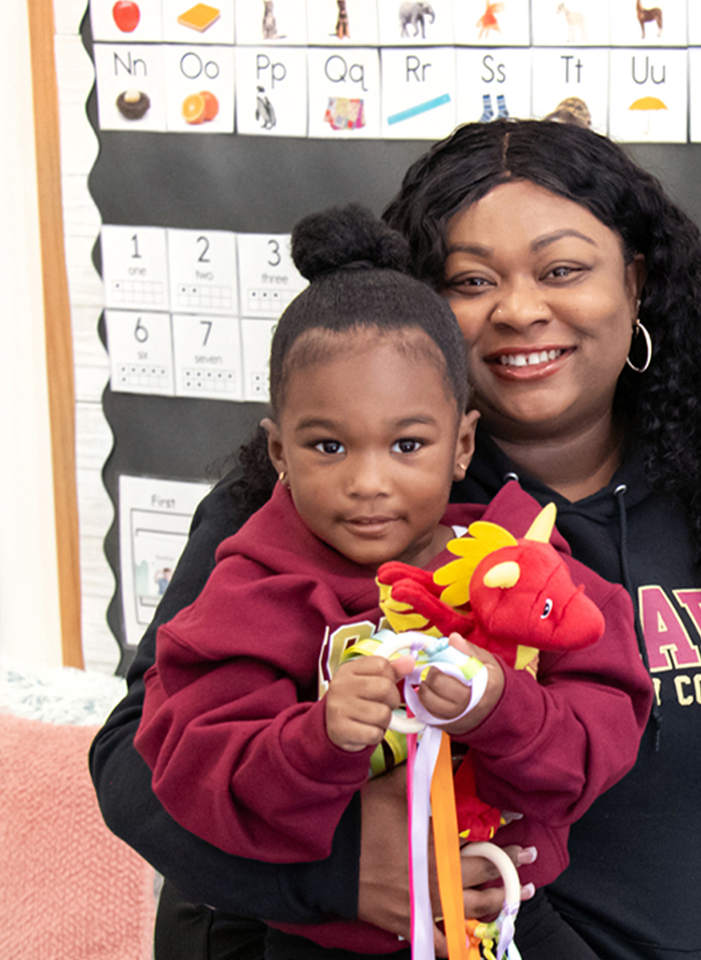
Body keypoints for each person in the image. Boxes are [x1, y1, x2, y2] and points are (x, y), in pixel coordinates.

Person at [91, 119, 701, 960]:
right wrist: (342, 877)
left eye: (563, 270)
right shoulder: (333, 506)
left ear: (635, 283)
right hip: (452, 927)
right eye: (470, 281)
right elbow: (136, 760)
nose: (520, 309)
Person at [129, 202, 651, 957]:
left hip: (507, 922)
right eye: (329, 446)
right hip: (329, 940)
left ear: (462, 445)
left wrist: (498, 707)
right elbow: (194, 768)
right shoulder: (249, 589)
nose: (368, 482)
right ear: (278, 454)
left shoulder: (520, 564)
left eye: (407, 445)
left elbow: (599, 735)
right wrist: (317, 738)